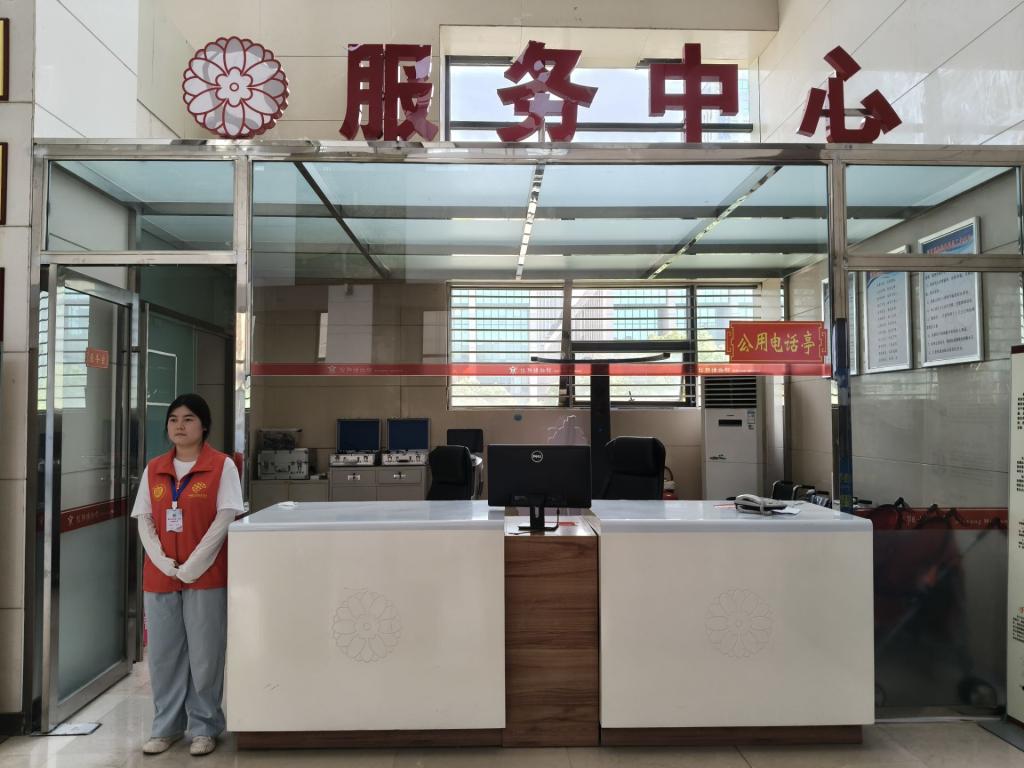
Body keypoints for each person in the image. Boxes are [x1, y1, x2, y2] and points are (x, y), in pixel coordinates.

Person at [131, 393, 243, 757]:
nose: (180, 426)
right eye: (174, 419)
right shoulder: (154, 468)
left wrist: (195, 564)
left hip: (205, 576)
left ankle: (205, 727)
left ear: (204, 426)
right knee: (164, 655)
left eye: (189, 419)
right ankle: (165, 728)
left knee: (205, 656)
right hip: (160, 577)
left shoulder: (221, 466)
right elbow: (144, 519)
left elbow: (225, 517)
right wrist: (162, 562)